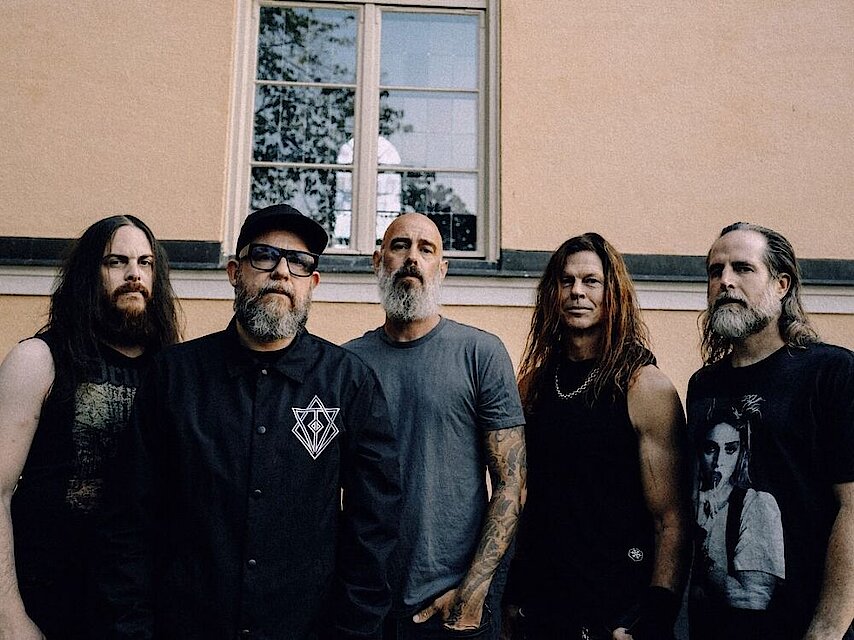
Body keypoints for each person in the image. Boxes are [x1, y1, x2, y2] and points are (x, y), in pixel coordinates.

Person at [96, 204, 401, 639]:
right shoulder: (173, 377)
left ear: (312, 283)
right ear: (234, 272)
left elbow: (374, 528)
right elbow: (129, 520)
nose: (282, 271)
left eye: (299, 262)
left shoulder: (348, 382)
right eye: (264, 256)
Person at [344, 213, 526, 639]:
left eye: (426, 250)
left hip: (451, 608)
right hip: (365, 605)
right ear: (377, 262)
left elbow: (511, 483)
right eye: (400, 246)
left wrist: (472, 594)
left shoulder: (480, 353)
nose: (413, 258)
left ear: (441, 269)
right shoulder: (347, 364)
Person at [0, 215, 181, 639]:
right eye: (116, 261)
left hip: (135, 613)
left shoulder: (173, 371)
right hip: (47, 605)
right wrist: (10, 618)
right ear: (88, 274)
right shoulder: (38, 359)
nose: (134, 274)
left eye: (146, 262)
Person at [504, 232, 691, 640]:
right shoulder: (532, 386)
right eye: (566, 281)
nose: (577, 291)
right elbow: (527, 501)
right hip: (546, 604)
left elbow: (671, 518)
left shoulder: (645, 386)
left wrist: (654, 618)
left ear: (613, 294)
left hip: (617, 607)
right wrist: (514, 592)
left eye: (591, 281)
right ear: (552, 293)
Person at [687, 221, 854, 640]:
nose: (725, 281)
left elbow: (853, 508)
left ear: (782, 285)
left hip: (801, 626)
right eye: (715, 271)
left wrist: (828, 628)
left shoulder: (831, 373)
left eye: (743, 268)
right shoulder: (703, 386)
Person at [691, 396, 785, 639]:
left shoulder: (756, 505)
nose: (719, 462)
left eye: (730, 449)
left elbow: (752, 600)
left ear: (741, 452)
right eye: (710, 449)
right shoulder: (692, 504)